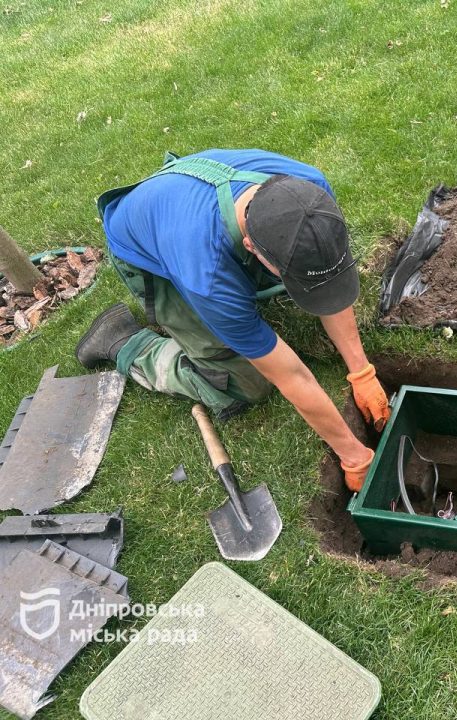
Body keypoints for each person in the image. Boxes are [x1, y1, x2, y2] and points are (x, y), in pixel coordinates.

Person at [76, 149, 388, 491]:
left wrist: (362, 372)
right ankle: (126, 343)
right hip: (145, 248)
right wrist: (353, 456)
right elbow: (291, 376)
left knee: (277, 287)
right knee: (245, 383)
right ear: (252, 247)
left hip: (182, 204)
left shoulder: (311, 194)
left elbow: (327, 276)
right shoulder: (209, 277)